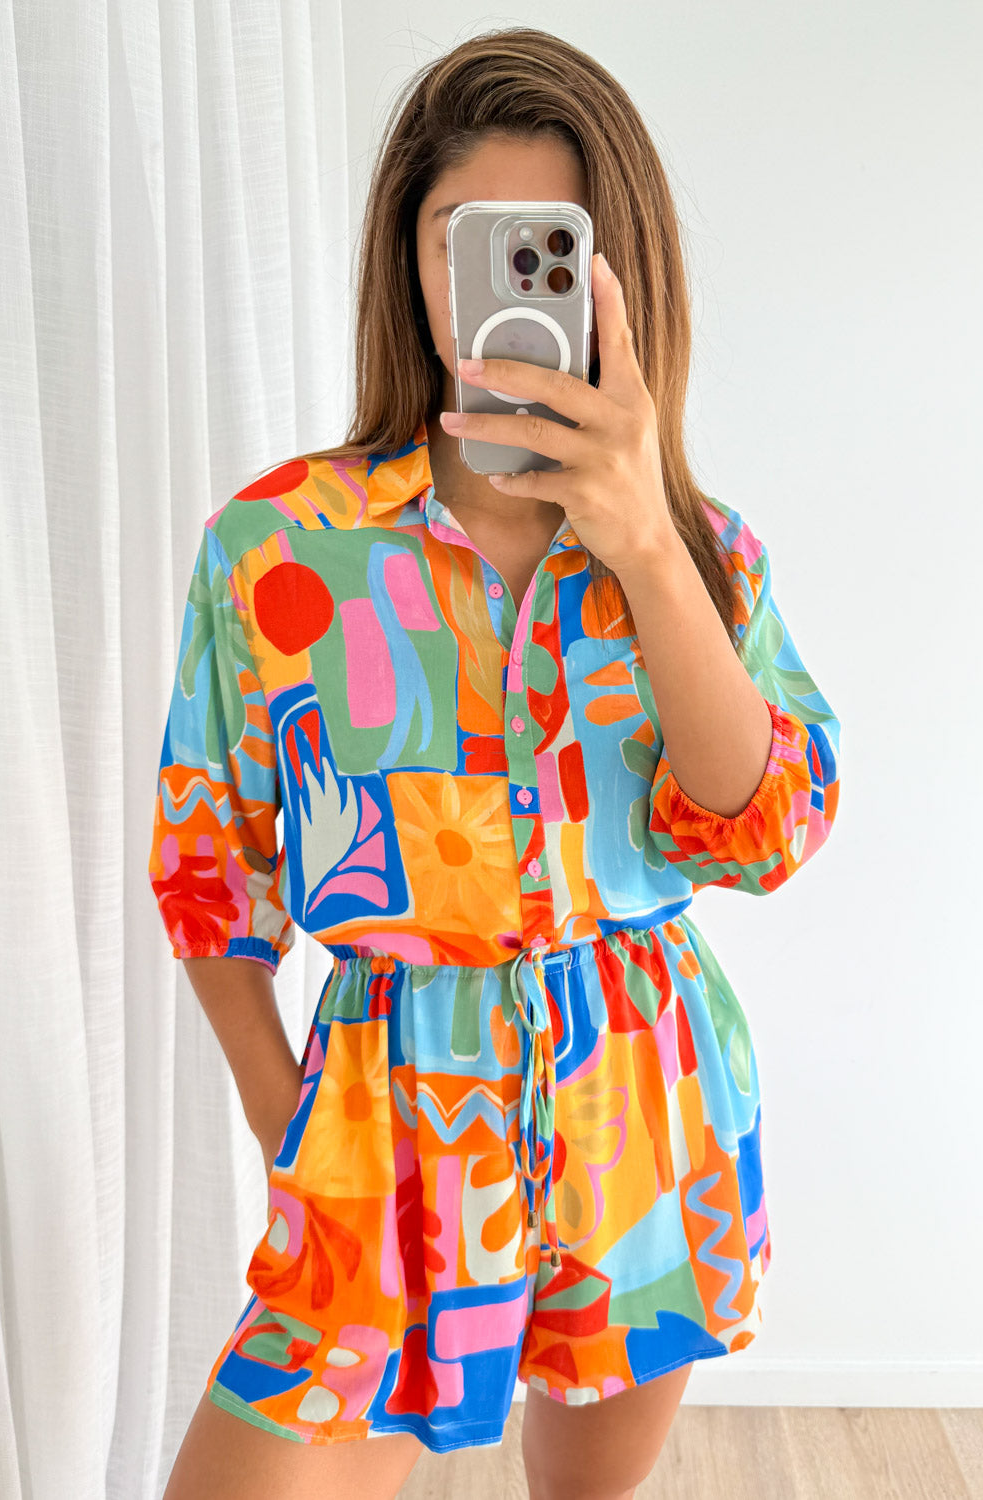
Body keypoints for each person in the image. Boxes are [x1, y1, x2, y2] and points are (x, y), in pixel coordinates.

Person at [148, 26, 841, 1500]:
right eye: (464, 239)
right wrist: (290, 1130)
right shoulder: (281, 551)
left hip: (641, 1107)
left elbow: (764, 827)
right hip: (390, 1122)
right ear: (408, 259)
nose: (503, 289)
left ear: (615, 269)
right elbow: (212, 877)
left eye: (548, 244)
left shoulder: (700, 557)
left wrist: (643, 542)